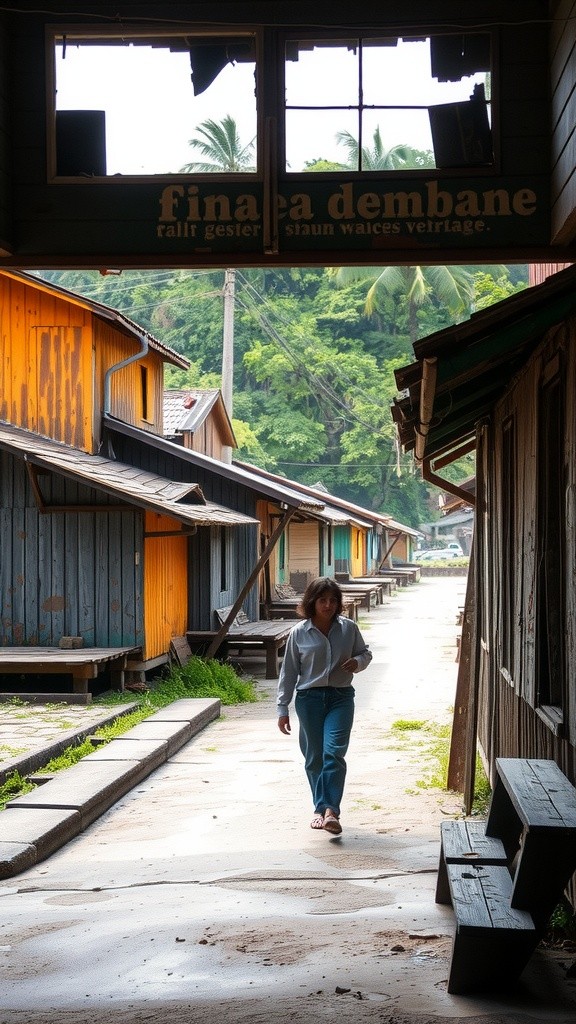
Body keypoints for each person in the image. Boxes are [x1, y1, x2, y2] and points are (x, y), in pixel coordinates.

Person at [277, 576, 372, 835]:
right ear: (312, 602)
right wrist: (282, 708)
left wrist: (357, 662)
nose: (328, 605)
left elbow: (365, 653)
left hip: (341, 698)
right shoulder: (299, 632)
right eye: (322, 600)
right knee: (314, 757)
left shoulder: (348, 628)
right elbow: (289, 672)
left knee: (334, 752)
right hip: (309, 701)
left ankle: (331, 810)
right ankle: (319, 809)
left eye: (333, 600)